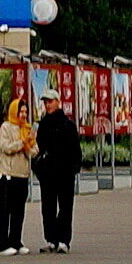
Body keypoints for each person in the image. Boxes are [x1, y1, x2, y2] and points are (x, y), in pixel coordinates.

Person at [34, 88, 82, 253]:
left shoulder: (68, 125)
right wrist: (38, 168)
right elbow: (38, 149)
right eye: (45, 102)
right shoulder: (43, 125)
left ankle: (64, 240)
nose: (47, 105)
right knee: (47, 207)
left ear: (58, 102)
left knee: (65, 207)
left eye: (50, 101)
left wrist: (74, 168)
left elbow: (75, 149)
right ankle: (50, 239)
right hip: (47, 174)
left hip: (65, 173)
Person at [0, 98, 38, 256]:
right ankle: (2, 244)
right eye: (21, 111)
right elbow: (6, 147)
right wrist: (22, 142)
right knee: (5, 211)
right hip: (8, 175)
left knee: (19, 211)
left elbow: (34, 151)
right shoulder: (6, 127)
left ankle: (16, 241)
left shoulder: (27, 128)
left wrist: (28, 144)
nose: (23, 115)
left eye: (26, 112)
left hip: (22, 175)